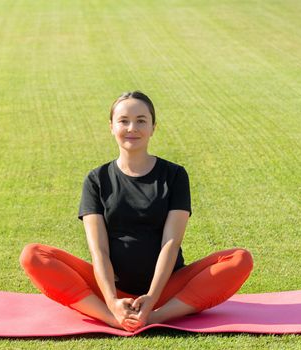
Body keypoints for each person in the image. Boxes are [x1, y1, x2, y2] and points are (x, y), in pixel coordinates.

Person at [20, 91, 253, 332]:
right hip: (107, 289)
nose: (132, 128)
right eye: (124, 121)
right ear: (111, 126)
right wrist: (111, 301)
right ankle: (113, 318)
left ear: (153, 127)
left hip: (166, 290)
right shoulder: (96, 179)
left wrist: (152, 297)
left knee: (239, 259)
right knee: (33, 255)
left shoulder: (174, 175)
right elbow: (98, 249)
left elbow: (170, 244)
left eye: (141, 120)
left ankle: (153, 318)